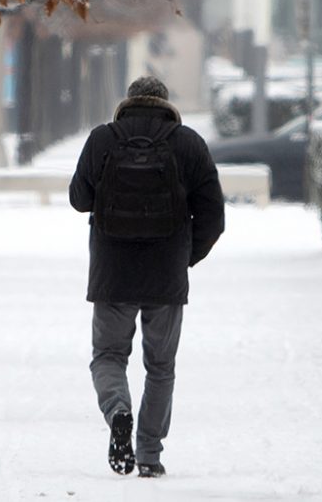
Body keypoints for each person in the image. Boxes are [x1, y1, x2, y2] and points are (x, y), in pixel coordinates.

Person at [69, 76, 225, 479]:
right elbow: (213, 216)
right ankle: (149, 455)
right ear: (165, 104)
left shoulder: (103, 139)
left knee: (108, 355)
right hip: (165, 275)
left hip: (112, 273)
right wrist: (185, 257)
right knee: (160, 366)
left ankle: (118, 411)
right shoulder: (187, 143)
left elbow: (78, 199)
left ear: (128, 102)